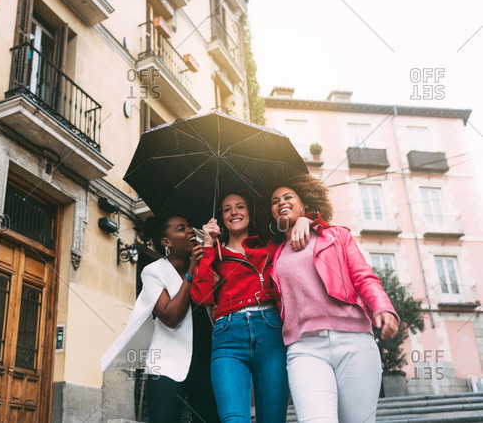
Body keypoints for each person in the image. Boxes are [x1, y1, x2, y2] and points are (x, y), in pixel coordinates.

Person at [267, 173, 399, 423]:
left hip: (355, 341)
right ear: (273, 214)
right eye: (275, 201)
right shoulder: (274, 254)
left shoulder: (337, 236)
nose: (281, 202)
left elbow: (363, 277)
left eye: (287, 197)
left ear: (303, 204)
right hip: (304, 348)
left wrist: (382, 307)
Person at [191, 191, 320, 423]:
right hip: (227, 335)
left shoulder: (269, 246)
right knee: (233, 420)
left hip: (271, 332)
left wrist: (305, 219)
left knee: (272, 419)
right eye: (227, 209)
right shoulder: (215, 254)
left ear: (250, 212)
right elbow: (201, 297)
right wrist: (209, 244)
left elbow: (313, 229)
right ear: (220, 218)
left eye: (240, 207)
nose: (234, 212)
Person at [100, 215, 220, 423]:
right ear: (166, 242)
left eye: (190, 227)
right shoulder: (153, 271)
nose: (191, 232)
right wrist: (190, 275)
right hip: (166, 365)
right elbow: (170, 316)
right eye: (182, 229)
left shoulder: (205, 269)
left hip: (205, 362)